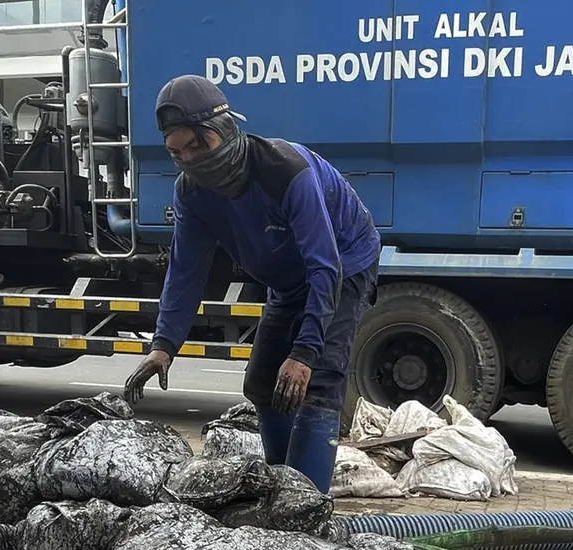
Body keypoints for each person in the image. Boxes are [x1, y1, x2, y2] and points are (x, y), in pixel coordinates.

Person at [123, 75, 381, 494]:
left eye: (197, 145)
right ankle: (281, 485)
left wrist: (304, 352)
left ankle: (307, 506)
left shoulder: (284, 170)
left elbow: (324, 265)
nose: (189, 159)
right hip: (286, 282)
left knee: (314, 382)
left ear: (224, 130)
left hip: (343, 263)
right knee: (262, 382)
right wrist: (163, 345)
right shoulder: (190, 192)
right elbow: (186, 271)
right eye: (176, 152)